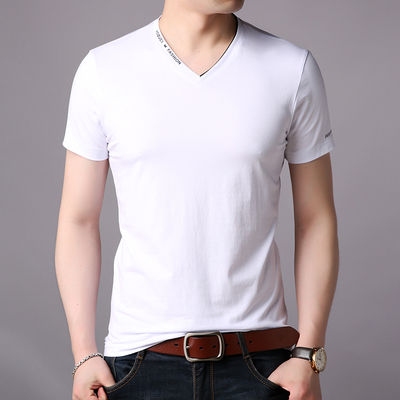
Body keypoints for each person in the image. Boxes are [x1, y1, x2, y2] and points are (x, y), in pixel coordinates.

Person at [55, 1, 339, 399]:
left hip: (260, 366)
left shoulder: (291, 69)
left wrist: (309, 353)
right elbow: (79, 220)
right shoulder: (104, 70)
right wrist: (83, 353)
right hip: (138, 365)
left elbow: (316, 219)